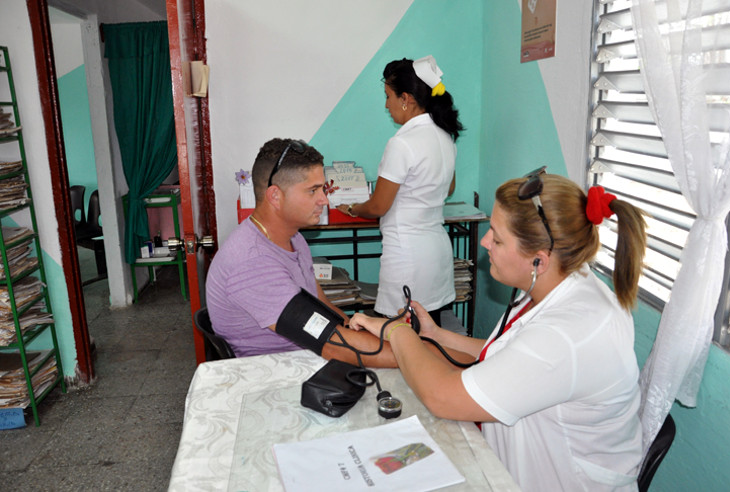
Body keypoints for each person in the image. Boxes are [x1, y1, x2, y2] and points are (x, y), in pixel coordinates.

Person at [349, 169, 647, 491]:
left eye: (497, 236)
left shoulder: (565, 335)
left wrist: (397, 332)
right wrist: (436, 335)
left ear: (539, 261)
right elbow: (513, 355)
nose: (484, 241)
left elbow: (441, 397)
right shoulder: (571, 280)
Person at [205, 138, 397, 367]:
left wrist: (369, 331)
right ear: (275, 196)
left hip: (308, 355)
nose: (324, 200)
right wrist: (413, 354)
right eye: (313, 190)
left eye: (323, 188)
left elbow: (325, 308)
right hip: (274, 372)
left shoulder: (293, 237)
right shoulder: (252, 261)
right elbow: (333, 344)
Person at [336, 55, 464, 325]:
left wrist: (352, 208)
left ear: (405, 98)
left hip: (407, 255)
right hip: (436, 252)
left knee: (397, 337)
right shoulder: (445, 136)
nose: (386, 105)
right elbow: (449, 186)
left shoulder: (402, 143)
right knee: (429, 333)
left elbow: (378, 206)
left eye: (388, 96)